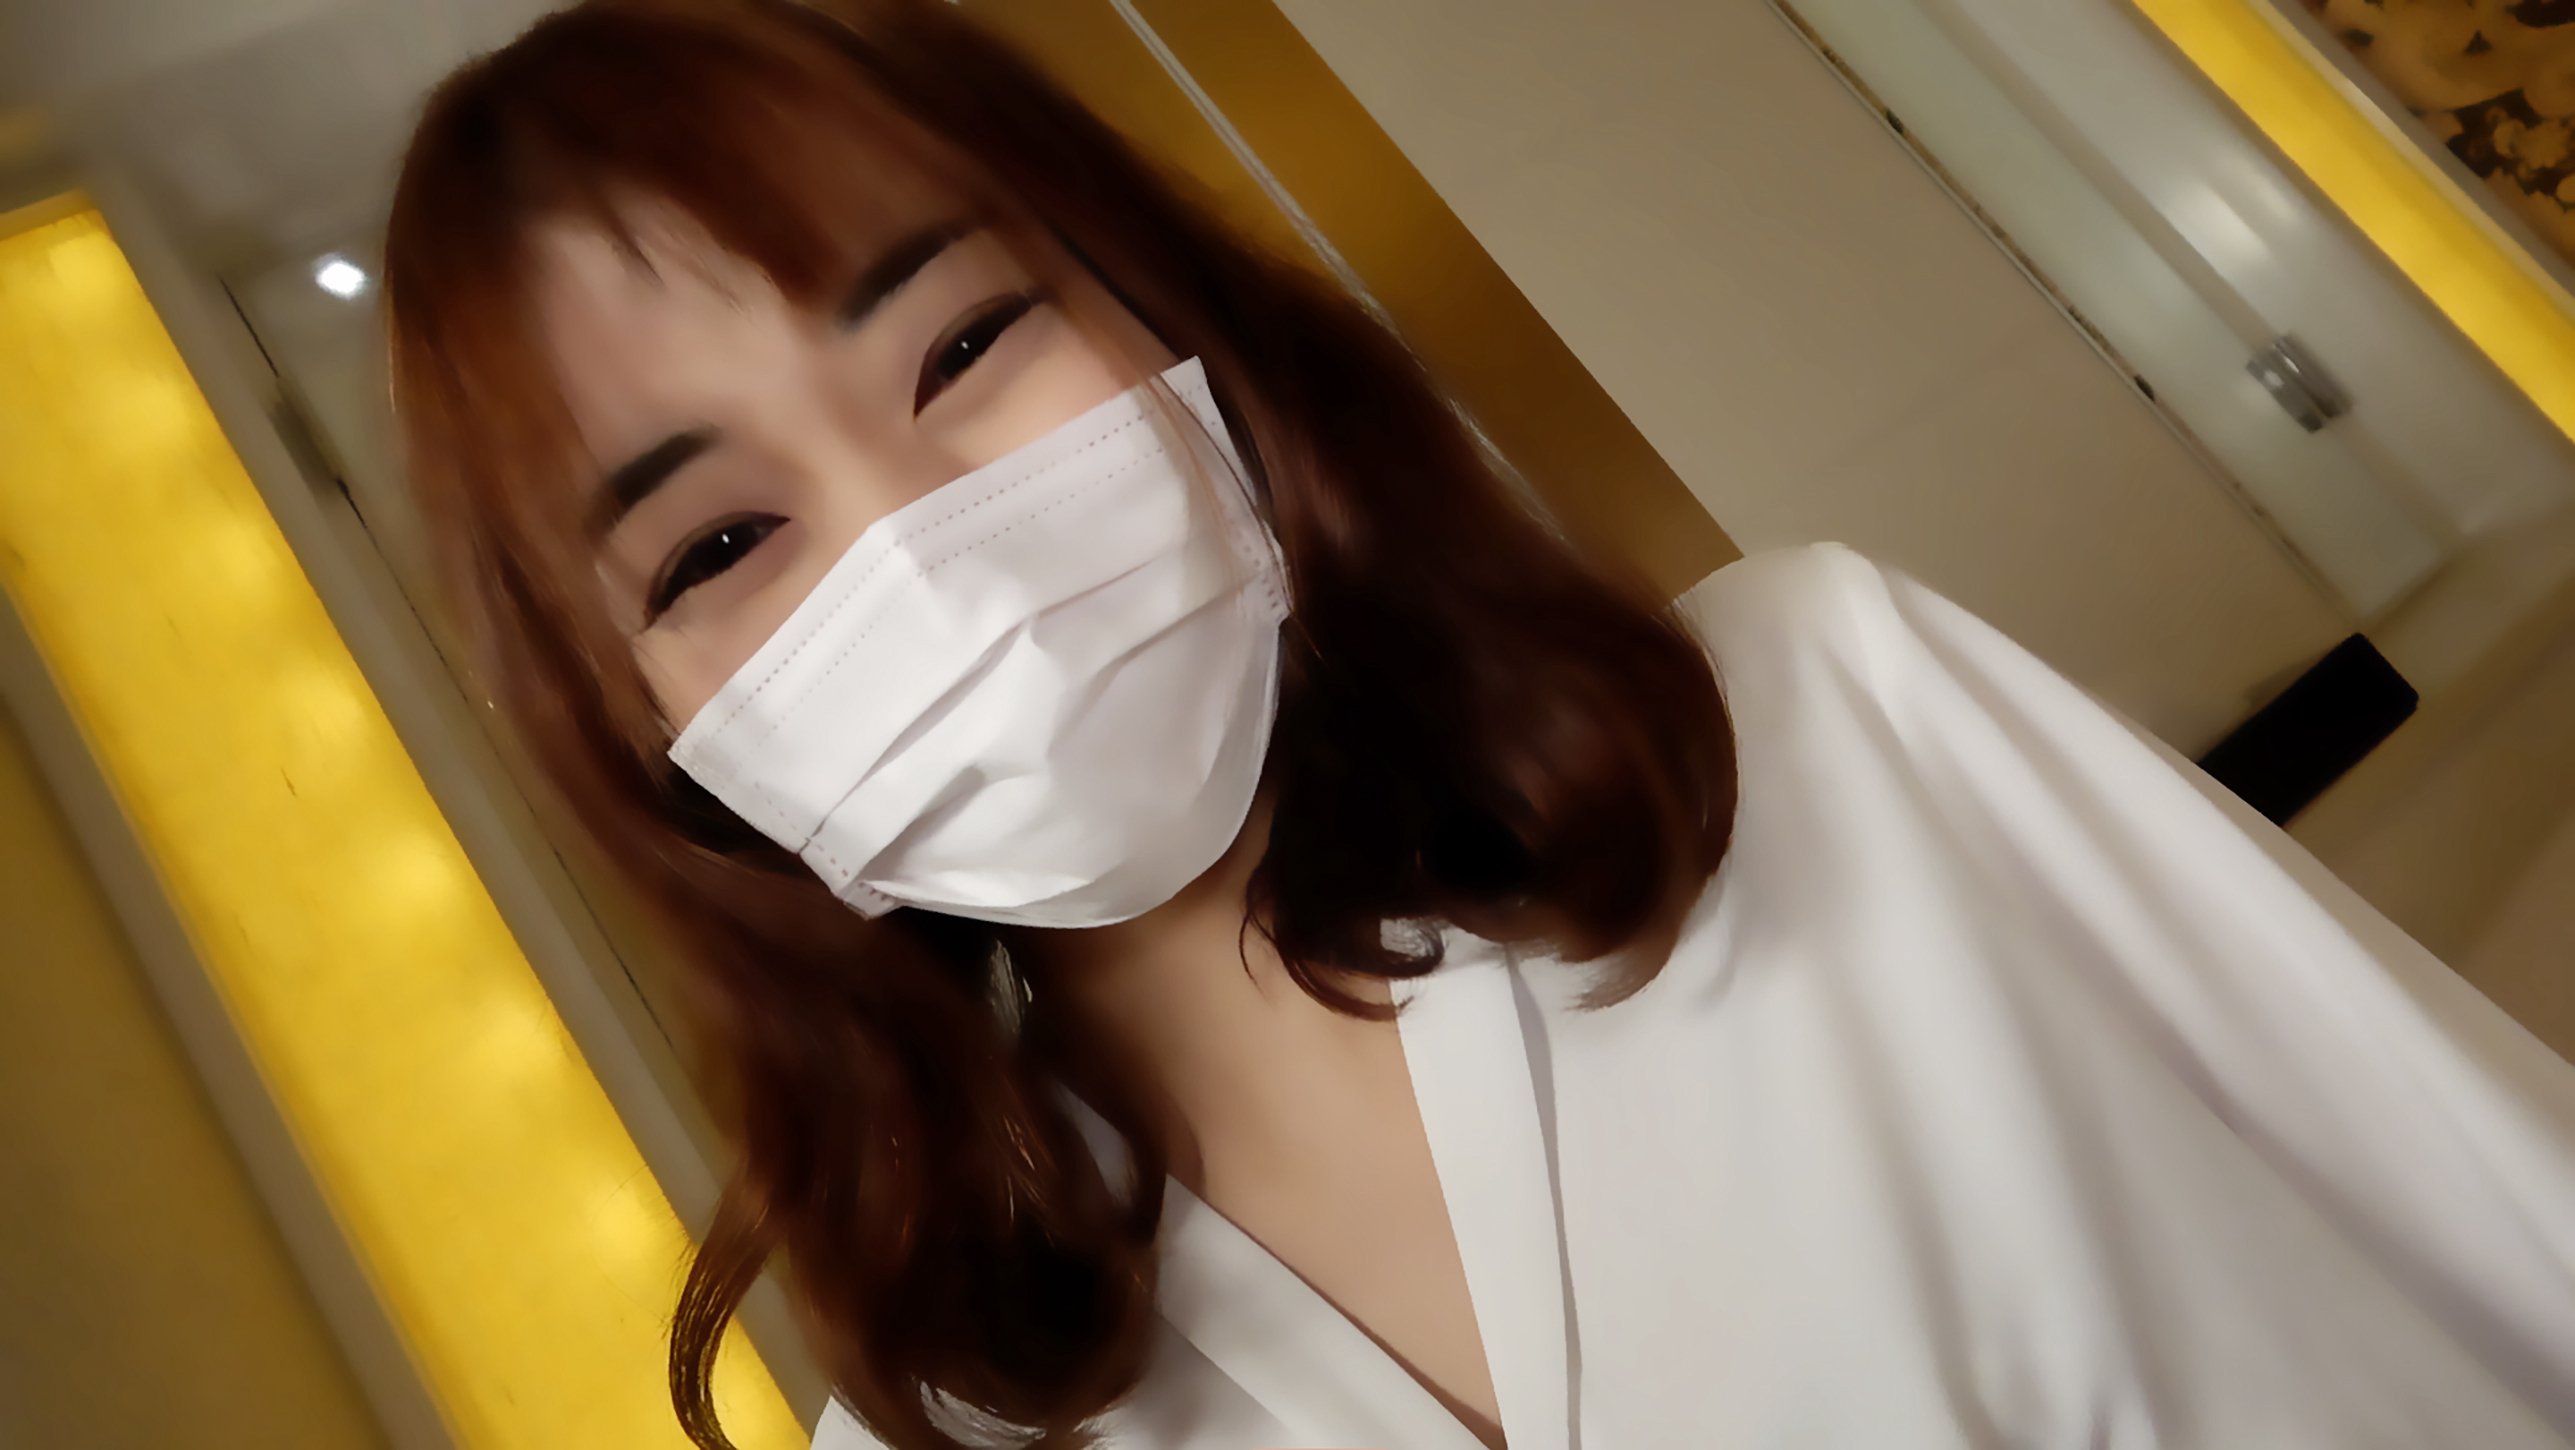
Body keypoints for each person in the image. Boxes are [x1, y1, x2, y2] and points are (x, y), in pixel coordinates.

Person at [381, 2, 2575, 1447]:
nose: (926, 546)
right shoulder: (951, 1410)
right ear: (647, 732)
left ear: (1167, 322)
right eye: (717, 544)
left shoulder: (1825, 717)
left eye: (961, 346)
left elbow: (2519, 1227)